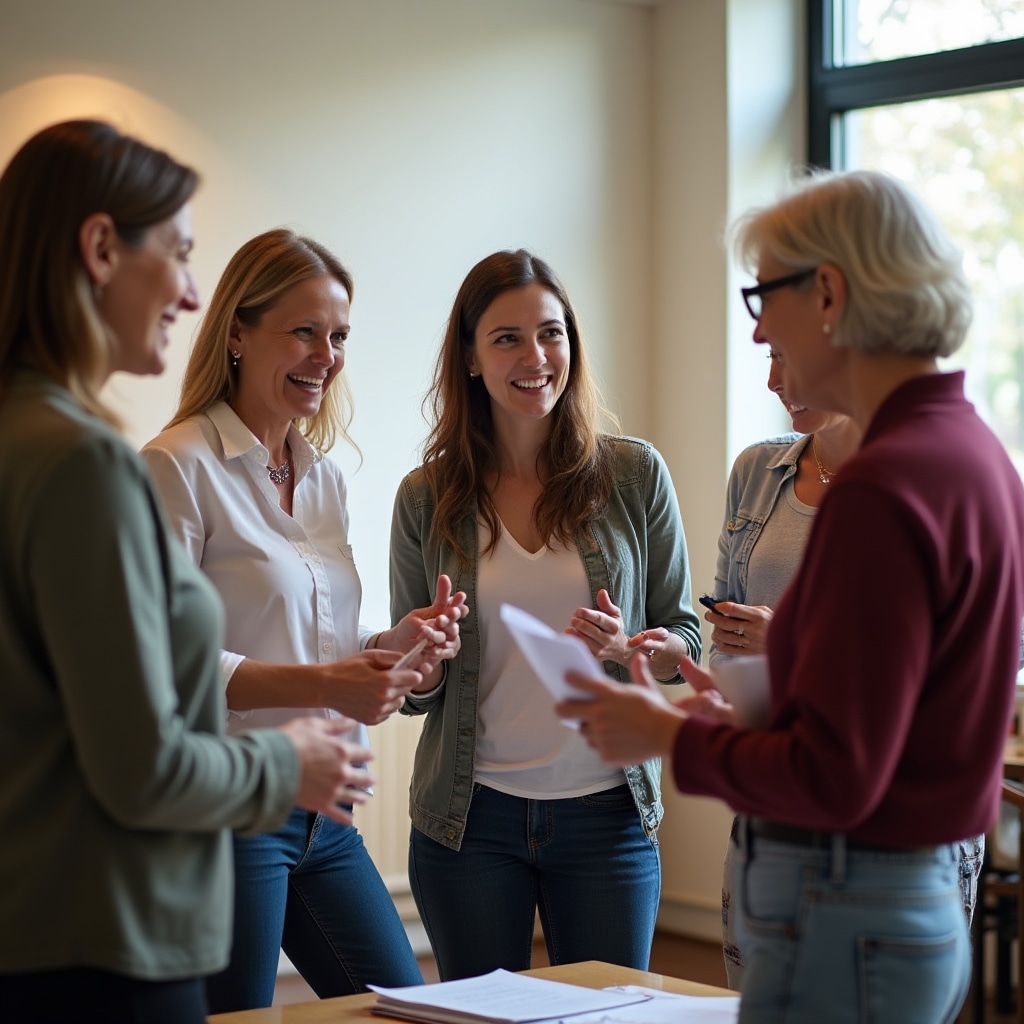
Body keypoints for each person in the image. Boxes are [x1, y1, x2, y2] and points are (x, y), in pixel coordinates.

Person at [559, 169, 1024, 1023]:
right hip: (902, 900)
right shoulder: (973, 455)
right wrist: (750, 714)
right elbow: (898, 714)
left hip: (846, 899)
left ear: (830, 293)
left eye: (761, 294)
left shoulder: (883, 486)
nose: (760, 326)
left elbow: (839, 776)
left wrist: (662, 732)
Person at [0, 120, 374, 1024]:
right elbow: (143, 767)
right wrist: (285, 756)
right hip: (104, 933)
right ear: (99, 248)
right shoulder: (93, 462)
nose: (189, 289)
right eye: (177, 252)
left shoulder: (23, 434)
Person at [141, 228, 465, 1011]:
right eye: (305, 331)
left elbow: (319, 642)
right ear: (238, 335)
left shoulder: (322, 478)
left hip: (328, 817)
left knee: (404, 1010)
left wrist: (395, 647)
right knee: (239, 1019)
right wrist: (330, 681)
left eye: (340, 335)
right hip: (232, 815)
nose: (328, 354)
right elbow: (168, 665)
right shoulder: (176, 465)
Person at [389, 248, 702, 981]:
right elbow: (412, 689)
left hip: (608, 815)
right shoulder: (424, 496)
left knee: (609, 1011)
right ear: (470, 357)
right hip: (470, 821)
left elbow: (686, 636)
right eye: (507, 338)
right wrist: (424, 659)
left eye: (552, 333)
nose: (537, 356)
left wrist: (635, 650)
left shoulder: (634, 474)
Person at [705, 363, 984, 990]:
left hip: (896, 828)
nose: (775, 377)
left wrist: (794, 644)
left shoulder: (939, 473)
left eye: (789, 352)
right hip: (774, 799)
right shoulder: (757, 471)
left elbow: (977, 663)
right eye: (767, 356)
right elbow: (724, 636)